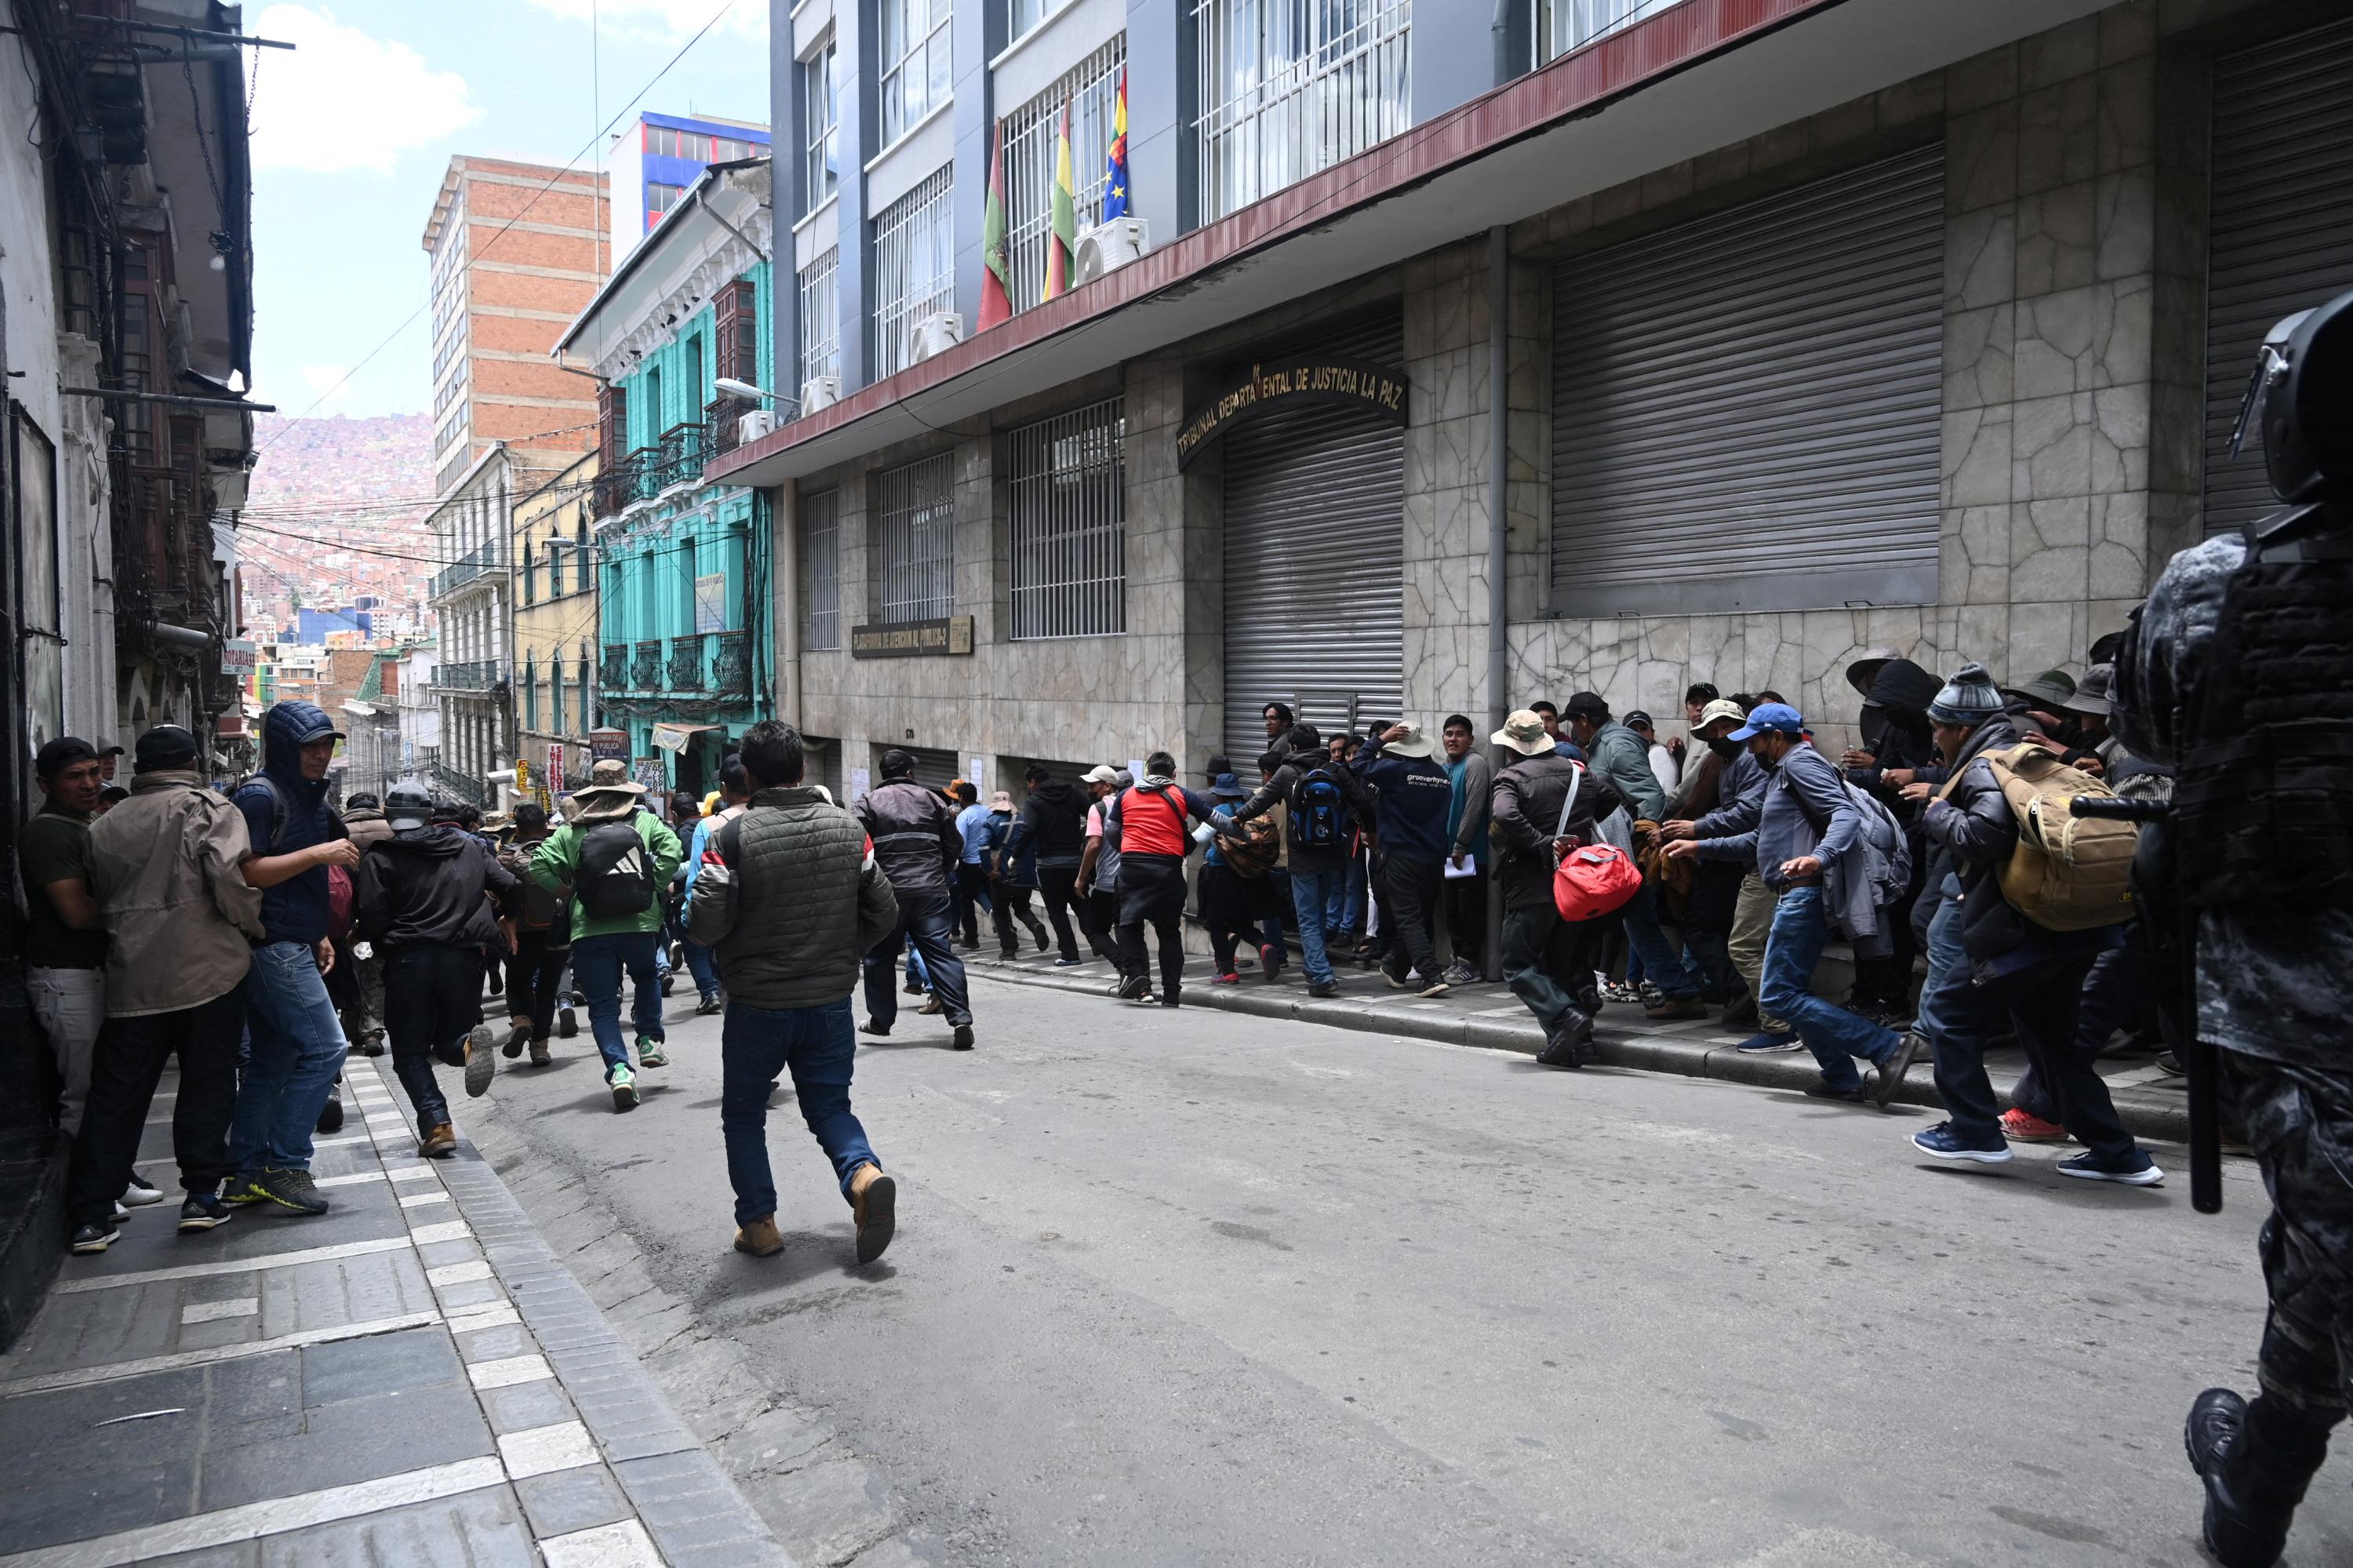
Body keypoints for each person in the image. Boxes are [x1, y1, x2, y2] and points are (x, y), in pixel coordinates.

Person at [1890, 663, 2160, 1180]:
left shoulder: (1983, 766)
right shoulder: (2024, 753)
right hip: (2073, 926)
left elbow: (1985, 836)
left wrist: (1937, 813)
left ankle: (1974, 1130)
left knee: (1948, 1013)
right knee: (2052, 1042)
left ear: (1961, 728)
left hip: (2022, 931)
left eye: (1939, 727)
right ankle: (2119, 1154)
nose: (1936, 738)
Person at [687, 722, 901, 1263]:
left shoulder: (728, 837)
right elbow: (884, 909)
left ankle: (759, 1224)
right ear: (802, 769)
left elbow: (705, 924)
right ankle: (862, 1175)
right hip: (829, 1000)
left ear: (749, 774)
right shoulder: (850, 830)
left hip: (756, 1003)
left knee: (743, 1113)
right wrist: (846, 952)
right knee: (830, 1105)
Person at [66, 726, 266, 1252]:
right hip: (207, 971)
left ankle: (90, 1215)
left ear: (141, 765)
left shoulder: (104, 825)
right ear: (192, 761)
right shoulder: (209, 808)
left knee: (117, 1094)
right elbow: (230, 879)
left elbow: (100, 891)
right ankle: (201, 1194)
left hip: (132, 975)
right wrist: (249, 925)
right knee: (207, 1083)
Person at [1665, 702, 1912, 1102]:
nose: (1751, 750)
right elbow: (1760, 840)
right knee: (1790, 992)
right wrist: (1701, 845)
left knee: (1780, 995)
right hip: (1797, 893)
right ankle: (1841, 1078)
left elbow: (1843, 816)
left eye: (1756, 742)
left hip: (1805, 894)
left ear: (1776, 739)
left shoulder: (1801, 765)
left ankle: (1886, 1047)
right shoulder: (1783, 772)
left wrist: (1820, 856)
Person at [227, 701, 361, 1217]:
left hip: (289, 941)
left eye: (327, 745)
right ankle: (285, 1163)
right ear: (286, 748)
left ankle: (247, 1172)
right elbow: (251, 871)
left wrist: (315, 935)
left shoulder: (305, 797)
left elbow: (293, 885)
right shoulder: (260, 796)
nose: (322, 755)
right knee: (327, 1049)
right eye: (311, 746)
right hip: (271, 947)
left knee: (273, 1059)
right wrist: (321, 854)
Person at [355, 782, 518, 1155]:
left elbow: (373, 915)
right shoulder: (469, 847)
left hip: (408, 961)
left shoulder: (380, 857)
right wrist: (507, 919)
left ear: (389, 818)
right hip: (463, 958)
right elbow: (510, 884)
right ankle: (466, 1048)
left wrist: (368, 937)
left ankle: (437, 1125)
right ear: (430, 815)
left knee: (410, 1052)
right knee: (449, 1037)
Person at [528, 759, 683, 1111]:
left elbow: (537, 866)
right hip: (641, 922)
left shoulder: (571, 830)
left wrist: (568, 891)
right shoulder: (644, 821)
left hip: (590, 928)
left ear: (594, 793)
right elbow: (673, 851)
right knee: (646, 978)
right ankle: (648, 1040)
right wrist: (651, 885)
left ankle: (619, 1071)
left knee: (601, 1006)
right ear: (625, 790)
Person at [1488, 709, 1627, 1067]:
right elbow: (1612, 800)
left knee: (1517, 964)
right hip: (1574, 885)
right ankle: (1579, 1046)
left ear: (1513, 748)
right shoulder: (1578, 772)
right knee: (1559, 966)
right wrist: (1577, 832)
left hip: (1531, 885)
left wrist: (1540, 841)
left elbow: (1504, 815)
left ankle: (1566, 1017)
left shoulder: (1511, 776)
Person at [1563, 691, 1704, 1020]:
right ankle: (1680, 991)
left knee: (1628, 921)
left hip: (1625, 853)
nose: (1573, 728)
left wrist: (1644, 839)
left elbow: (1651, 796)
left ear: (1583, 720)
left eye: (1573, 721)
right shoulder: (1606, 745)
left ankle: (1682, 990)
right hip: (1616, 851)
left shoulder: (1617, 745)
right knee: (1636, 923)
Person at [1662, 698, 1787, 1050]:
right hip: (1753, 859)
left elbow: (1749, 816)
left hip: (1772, 864)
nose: (1720, 736)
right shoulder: (1733, 761)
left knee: (1745, 945)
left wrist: (1697, 831)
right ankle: (1774, 1017)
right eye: (1713, 731)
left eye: (1726, 728)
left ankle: (1780, 1023)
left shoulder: (1760, 762)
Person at [1215, 724, 1371, 999]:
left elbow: (1260, 801)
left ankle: (1322, 976)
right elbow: (1362, 801)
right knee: (1320, 913)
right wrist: (1367, 830)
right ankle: (1314, 968)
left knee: (1308, 919)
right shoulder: (1335, 771)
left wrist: (1237, 818)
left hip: (1302, 858)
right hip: (1333, 855)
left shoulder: (1287, 772)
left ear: (1293, 747)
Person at [856, 748, 975, 1047]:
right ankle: (960, 1019)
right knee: (940, 954)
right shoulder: (933, 799)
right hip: (931, 891)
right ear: (909, 773)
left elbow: (857, 846)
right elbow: (954, 844)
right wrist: (941, 870)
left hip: (888, 894)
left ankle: (881, 1022)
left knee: (880, 957)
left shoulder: (868, 801)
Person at [1348, 722, 1457, 996]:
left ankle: (1432, 975)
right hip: (1432, 858)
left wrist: (1379, 740)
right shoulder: (1440, 776)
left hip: (1401, 855)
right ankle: (1397, 968)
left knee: (1408, 919)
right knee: (1419, 916)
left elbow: (1358, 763)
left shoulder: (1396, 771)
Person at [1104, 752, 1220, 1005]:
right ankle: (1171, 995)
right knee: (1169, 933)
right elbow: (1215, 819)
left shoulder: (1126, 795)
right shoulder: (1182, 794)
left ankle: (1138, 976)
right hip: (1167, 871)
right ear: (1173, 774)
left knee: (1128, 925)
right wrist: (1241, 830)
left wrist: (1125, 849)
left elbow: (1111, 830)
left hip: (1133, 869)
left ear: (1147, 772)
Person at [498, 802, 574, 1064]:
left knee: (517, 983)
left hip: (521, 933)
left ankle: (521, 1020)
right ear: (545, 825)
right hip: (559, 929)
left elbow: (492, 894)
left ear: (517, 829)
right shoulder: (559, 851)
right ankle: (540, 1046)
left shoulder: (507, 856)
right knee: (547, 988)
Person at [678, 759, 751, 1015]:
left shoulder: (708, 827)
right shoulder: (778, 817)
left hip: (724, 920)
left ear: (723, 789)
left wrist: (690, 919)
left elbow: (698, 882)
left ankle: (710, 992)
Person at [1199, 772, 1281, 984]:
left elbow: (1199, 838)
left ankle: (1228, 971)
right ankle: (1264, 945)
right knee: (1242, 922)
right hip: (1249, 877)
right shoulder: (1252, 810)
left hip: (1219, 876)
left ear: (1219, 795)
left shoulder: (1217, 812)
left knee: (1217, 924)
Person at [1004, 765, 1089, 963]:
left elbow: (1029, 829)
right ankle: (1098, 941)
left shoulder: (1034, 801)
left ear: (1032, 782)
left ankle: (1070, 954)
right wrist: (1083, 837)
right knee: (1080, 904)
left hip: (1049, 865)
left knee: (1057, 910)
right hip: (1075, 862)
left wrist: (1015, 856)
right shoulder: (1073, 793)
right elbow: (1094, 814)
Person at [1438, 715, 1491, 986]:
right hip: (1448, 853)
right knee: (1452, 910)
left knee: (1468, 909)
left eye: (1460, 734)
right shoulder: (1446, 767)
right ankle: (1458, 960)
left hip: (1469, 854)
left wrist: (1460, 844)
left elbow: (1474, 807)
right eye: (1449, 734)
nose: (1453, 739)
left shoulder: (1475, 764)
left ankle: (1470, 964)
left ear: (1470, 739)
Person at [1075, 766, 1132, 976]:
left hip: (1107, 883)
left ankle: (1125, 967)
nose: (1089, 790)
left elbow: (1093, 845)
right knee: (1128, 931)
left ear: (1107, 786)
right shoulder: (1129, 804)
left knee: (1095, 930)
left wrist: (1081, 878)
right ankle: (1136, 975)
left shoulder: (1098, 809)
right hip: (1131, 881)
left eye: (1093, 785)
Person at [985, 789, 1048, 959]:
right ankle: (1035, 926)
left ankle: (1008, 950)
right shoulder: (1024, 821)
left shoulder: (991, 822)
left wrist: (989, 870)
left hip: (1004, 876)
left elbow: (983, 847)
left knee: (999, 912)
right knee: (1022, 908)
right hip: (1026, 875)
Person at [951, 780, 993, 951]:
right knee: (990, 896)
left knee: (965, 900)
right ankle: (1008, 934)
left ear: (961, 797)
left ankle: (971, 938)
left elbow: (961, 842)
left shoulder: (964, 816)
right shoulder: (987, 811)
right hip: (988, 862)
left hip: (971, 863)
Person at [1624, 711, 1679, 799]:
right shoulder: (1634, 756)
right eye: (1633, 730)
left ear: (1652, 734)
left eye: (1643, 729)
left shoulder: (1658, 753)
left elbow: (1665, 795)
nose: (1639, 734)